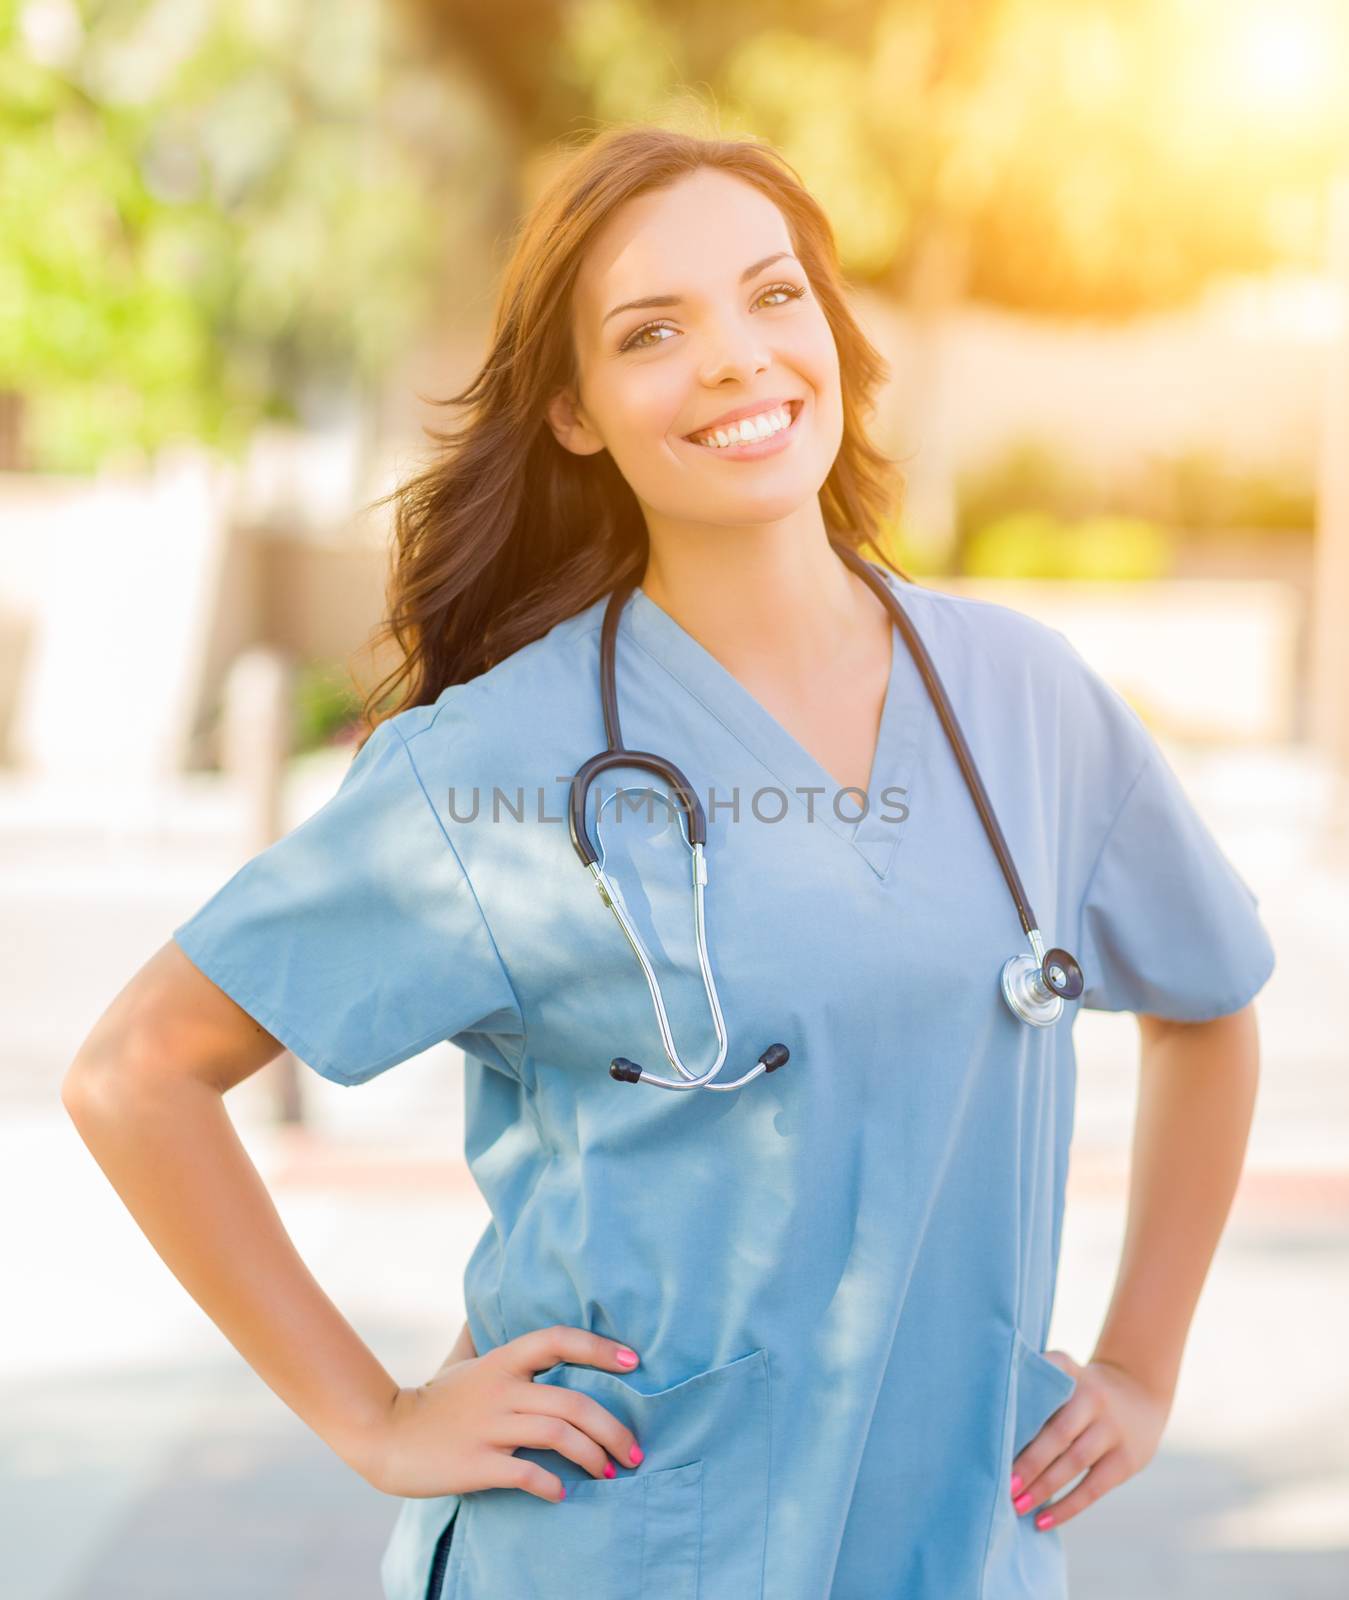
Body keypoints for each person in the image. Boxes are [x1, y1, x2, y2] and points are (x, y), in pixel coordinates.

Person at [62, 126, 1275, 1600]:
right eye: (654, 331)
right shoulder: (496, 766)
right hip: (616, 1548)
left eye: (774, 298)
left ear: (831, 331)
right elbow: (137, 1073)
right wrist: (371, 1416)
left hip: (945, 1544)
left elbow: (1207, 1004)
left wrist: (1141, 1368)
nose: (734, 359)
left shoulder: (1025, 700)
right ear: (573, 412)